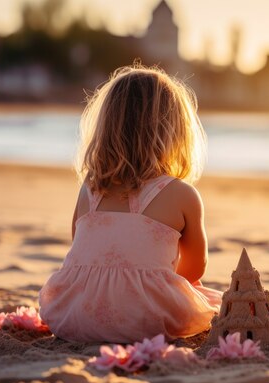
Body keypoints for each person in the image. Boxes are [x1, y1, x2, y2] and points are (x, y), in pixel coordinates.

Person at [39, 65, 221, 343]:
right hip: (144, 321)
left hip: (75, 316)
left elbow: (81, 248)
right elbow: (196, 268)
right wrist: (157, 282)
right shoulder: (182, 194)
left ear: (106, 128)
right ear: (175, 132)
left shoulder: (89, 189)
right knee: (212, 301)